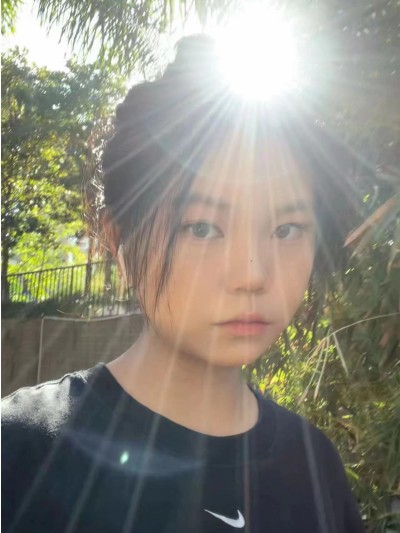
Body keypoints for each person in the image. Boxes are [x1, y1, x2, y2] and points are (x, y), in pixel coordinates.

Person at [2, 35, 365, 532]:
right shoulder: (19, 452)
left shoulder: (315, 468)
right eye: (202, 228)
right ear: (118, 239)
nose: (253, 275)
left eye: (286, 229)